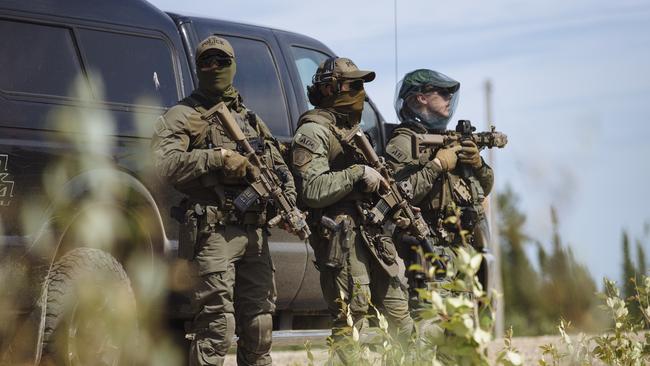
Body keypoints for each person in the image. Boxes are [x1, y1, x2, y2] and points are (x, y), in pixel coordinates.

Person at [151, 35, 297, 366]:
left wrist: (288, 202)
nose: (214, 68)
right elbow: (162, 164)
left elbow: (280, 169)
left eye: (222, 62)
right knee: (216, 325)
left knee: (260, 323)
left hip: (254, 232)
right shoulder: (183, 114)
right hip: (213, 231)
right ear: (198, 68)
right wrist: (216, 157)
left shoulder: (250, 118)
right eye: (207, 62)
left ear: (233, 66)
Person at [290, 57, 414, 348]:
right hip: (342, 237)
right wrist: (358, 172)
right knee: (351, 318)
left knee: (400, 314)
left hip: (373, 234)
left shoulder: (354, 132)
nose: (360, 92)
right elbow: (312, 189)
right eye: (353, 85)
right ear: (329, 89)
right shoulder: (313, 131)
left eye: (361, 85)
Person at [385, 69, 494, 308]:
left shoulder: (447, 139)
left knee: (463, 337)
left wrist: (477, 164)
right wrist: (438, 165)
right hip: (428, 254)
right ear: (420, 98)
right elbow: (396, 194)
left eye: (449, 95)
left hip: (461, 254)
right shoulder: (405, 142)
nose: (448, 100)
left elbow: (484, 189)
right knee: (430, 333)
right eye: (442, 93)